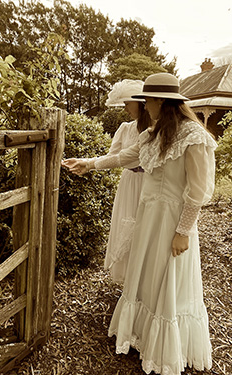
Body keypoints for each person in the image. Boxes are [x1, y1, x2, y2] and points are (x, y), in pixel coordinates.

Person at [62, 72, 216, 374]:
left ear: (160, 101)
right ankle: (143, 335)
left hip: (172, 221)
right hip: (149, 217)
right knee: (146, 275)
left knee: (166, 279)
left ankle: (166, 348)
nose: (145, 107)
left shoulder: (195, 138)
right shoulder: (155, 133)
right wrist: (89, 164)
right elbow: (126, 157)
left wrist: (183, 231)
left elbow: (197, 192)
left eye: (148, 101)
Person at [102, 79, 151, 283]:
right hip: (130, 182)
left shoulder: (156, 128)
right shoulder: (125, 128)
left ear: (139, 102)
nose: (125, 110)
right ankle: (129, 276)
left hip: (150, 182)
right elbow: (112, 157)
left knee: (147, 227)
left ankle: (146, 274)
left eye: (127, 104)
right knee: (127, 223)